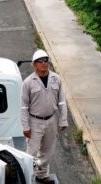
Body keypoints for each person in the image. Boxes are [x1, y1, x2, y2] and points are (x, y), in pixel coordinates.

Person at [20, 49, 67, 184]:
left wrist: (63, 120)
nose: (43, 63)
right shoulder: (28, 82)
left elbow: (62, 101)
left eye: (46, 60)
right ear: (34, 65)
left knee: (48, 150)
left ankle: (41, 175)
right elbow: (23, 107)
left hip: (51, 120)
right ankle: (28, 177)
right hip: (34, 121)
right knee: (31, 153)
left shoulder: (56, 79)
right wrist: (25, 126)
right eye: (40, 61)